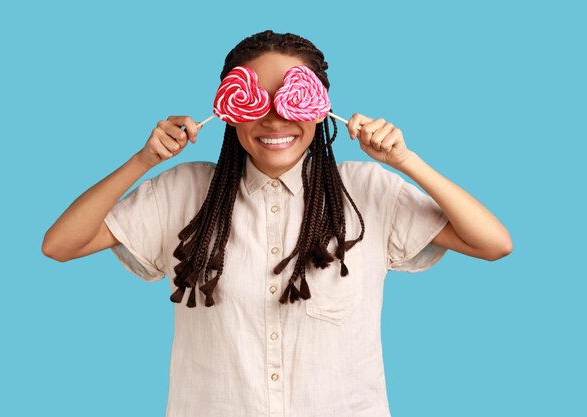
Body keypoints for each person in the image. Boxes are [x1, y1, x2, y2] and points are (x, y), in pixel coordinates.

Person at [42, 30, 512, 417]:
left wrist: (406, 161)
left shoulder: (367, 191)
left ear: (322, 108)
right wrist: (143, 159)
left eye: (292, 98)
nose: (274, 117)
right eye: (255, 100)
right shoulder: (183, 192)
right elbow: (60, 244)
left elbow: (493, 243)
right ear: (229, 110)